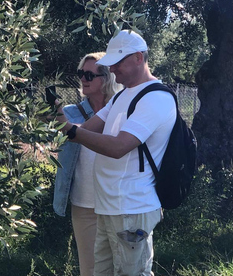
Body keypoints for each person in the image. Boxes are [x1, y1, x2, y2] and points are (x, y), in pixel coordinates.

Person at [59, 30, 176, 276]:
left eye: (118, 62)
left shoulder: (156, 98)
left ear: (138, 58)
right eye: (110, 64)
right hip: (109, 207)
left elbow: (118, 147)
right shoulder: (122, 95)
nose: (112, 69)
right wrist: (58, 121)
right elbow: (87, 129)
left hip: (132, 208)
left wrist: (70, 131)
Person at [54, 52, 122, 276]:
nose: (83, 79)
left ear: (107, 77)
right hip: (84, 204)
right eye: (81, 73)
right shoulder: (69, 114)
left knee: (126, 265)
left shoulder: (123, 112)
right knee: (90, 269)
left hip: (118, 203)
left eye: (89, 75)